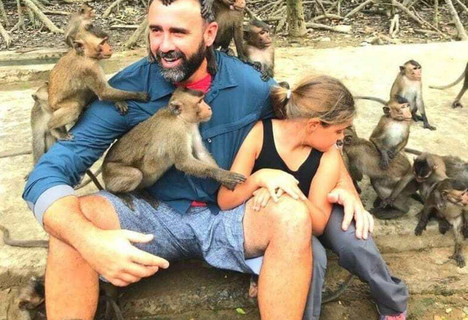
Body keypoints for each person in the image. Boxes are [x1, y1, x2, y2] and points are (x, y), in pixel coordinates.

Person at [21, 0, 401, 319]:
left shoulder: (250, 84)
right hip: (153, 212)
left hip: (230, 215)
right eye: (156, 31)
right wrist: (88, 240)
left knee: (291, 213)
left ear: (209, 33)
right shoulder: (130, 88)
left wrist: (344, 186)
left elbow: (315, 126)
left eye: (178, 33)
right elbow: (50, 172)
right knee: (72, 221)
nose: (163, 45)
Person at [218, 76, 409, 320]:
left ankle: (393, 302)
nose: (341, 139)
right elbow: (225, 199)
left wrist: (289, 190)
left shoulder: (327, 153)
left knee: (355, 238)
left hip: (314, 209)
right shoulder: (260, 135)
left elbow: (318, 224)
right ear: (313, 125)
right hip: (275, 219)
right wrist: (260, 179)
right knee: (313, 256)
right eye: (338, 130)